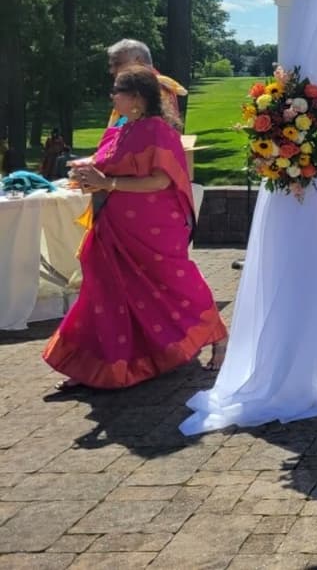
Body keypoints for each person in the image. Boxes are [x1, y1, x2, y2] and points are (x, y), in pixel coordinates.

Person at [43, 66, 227, 389]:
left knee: (175, 287)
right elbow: (105, 167)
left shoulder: (159, 132)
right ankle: (91, 366)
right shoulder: (121, 130)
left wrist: (108, 182)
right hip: (114, 225)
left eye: (118, 90)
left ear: (137, 98)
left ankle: (217, 335)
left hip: (152, 227)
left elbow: (161, 180)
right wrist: (86, 175)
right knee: (103, 292)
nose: (112, 96)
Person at [105, 39, 188, 128]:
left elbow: (150, 130)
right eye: (112, 65)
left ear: (138, 60)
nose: (112, 70)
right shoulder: (145, 84)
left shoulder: (155, 86)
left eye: (117, 63)